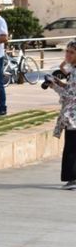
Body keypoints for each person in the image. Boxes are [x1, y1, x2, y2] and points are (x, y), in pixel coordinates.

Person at [48, 40, 76, 189]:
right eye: (67, 51)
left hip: (73, 116)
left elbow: (68, 95)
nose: (68, 54)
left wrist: (53, 86)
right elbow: (70, 88)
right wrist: (58, 82)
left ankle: (72, 179)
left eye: (72, 52)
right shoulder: (73, 71)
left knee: (71, 148)